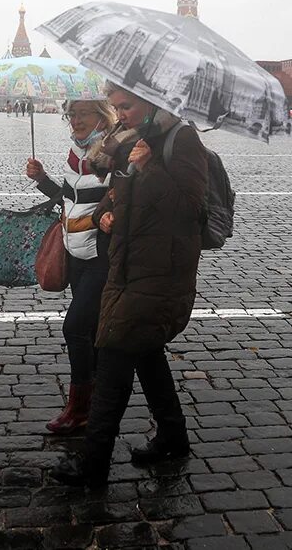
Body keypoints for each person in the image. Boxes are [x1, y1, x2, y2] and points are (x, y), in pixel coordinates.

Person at [51, 81, 208, 489]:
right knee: (146, 354)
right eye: (116, 107)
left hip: (158, 271)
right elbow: (120, 191)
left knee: (114, 351)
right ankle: (173, 436)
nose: (120, 114)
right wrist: (105, 212)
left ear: (152, 102)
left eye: (127, 106)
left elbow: (192, 209)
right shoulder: (132, 138)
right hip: (125, 263)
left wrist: (150, 167)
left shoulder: (182, 139)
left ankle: (94, 463)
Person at [26, 100, 116, 435]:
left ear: (100, 115)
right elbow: (68, 196)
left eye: (82, 114)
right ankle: (95, 401)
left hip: (101, 254)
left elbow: (123, 196)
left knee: (75, 327)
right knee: (89, 331)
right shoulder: (75, 151)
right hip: (74, 250)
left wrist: (108, 216)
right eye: (71, 115)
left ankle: (80, 408)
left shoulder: (112, 151)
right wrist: (42, 179)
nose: (75, 120)